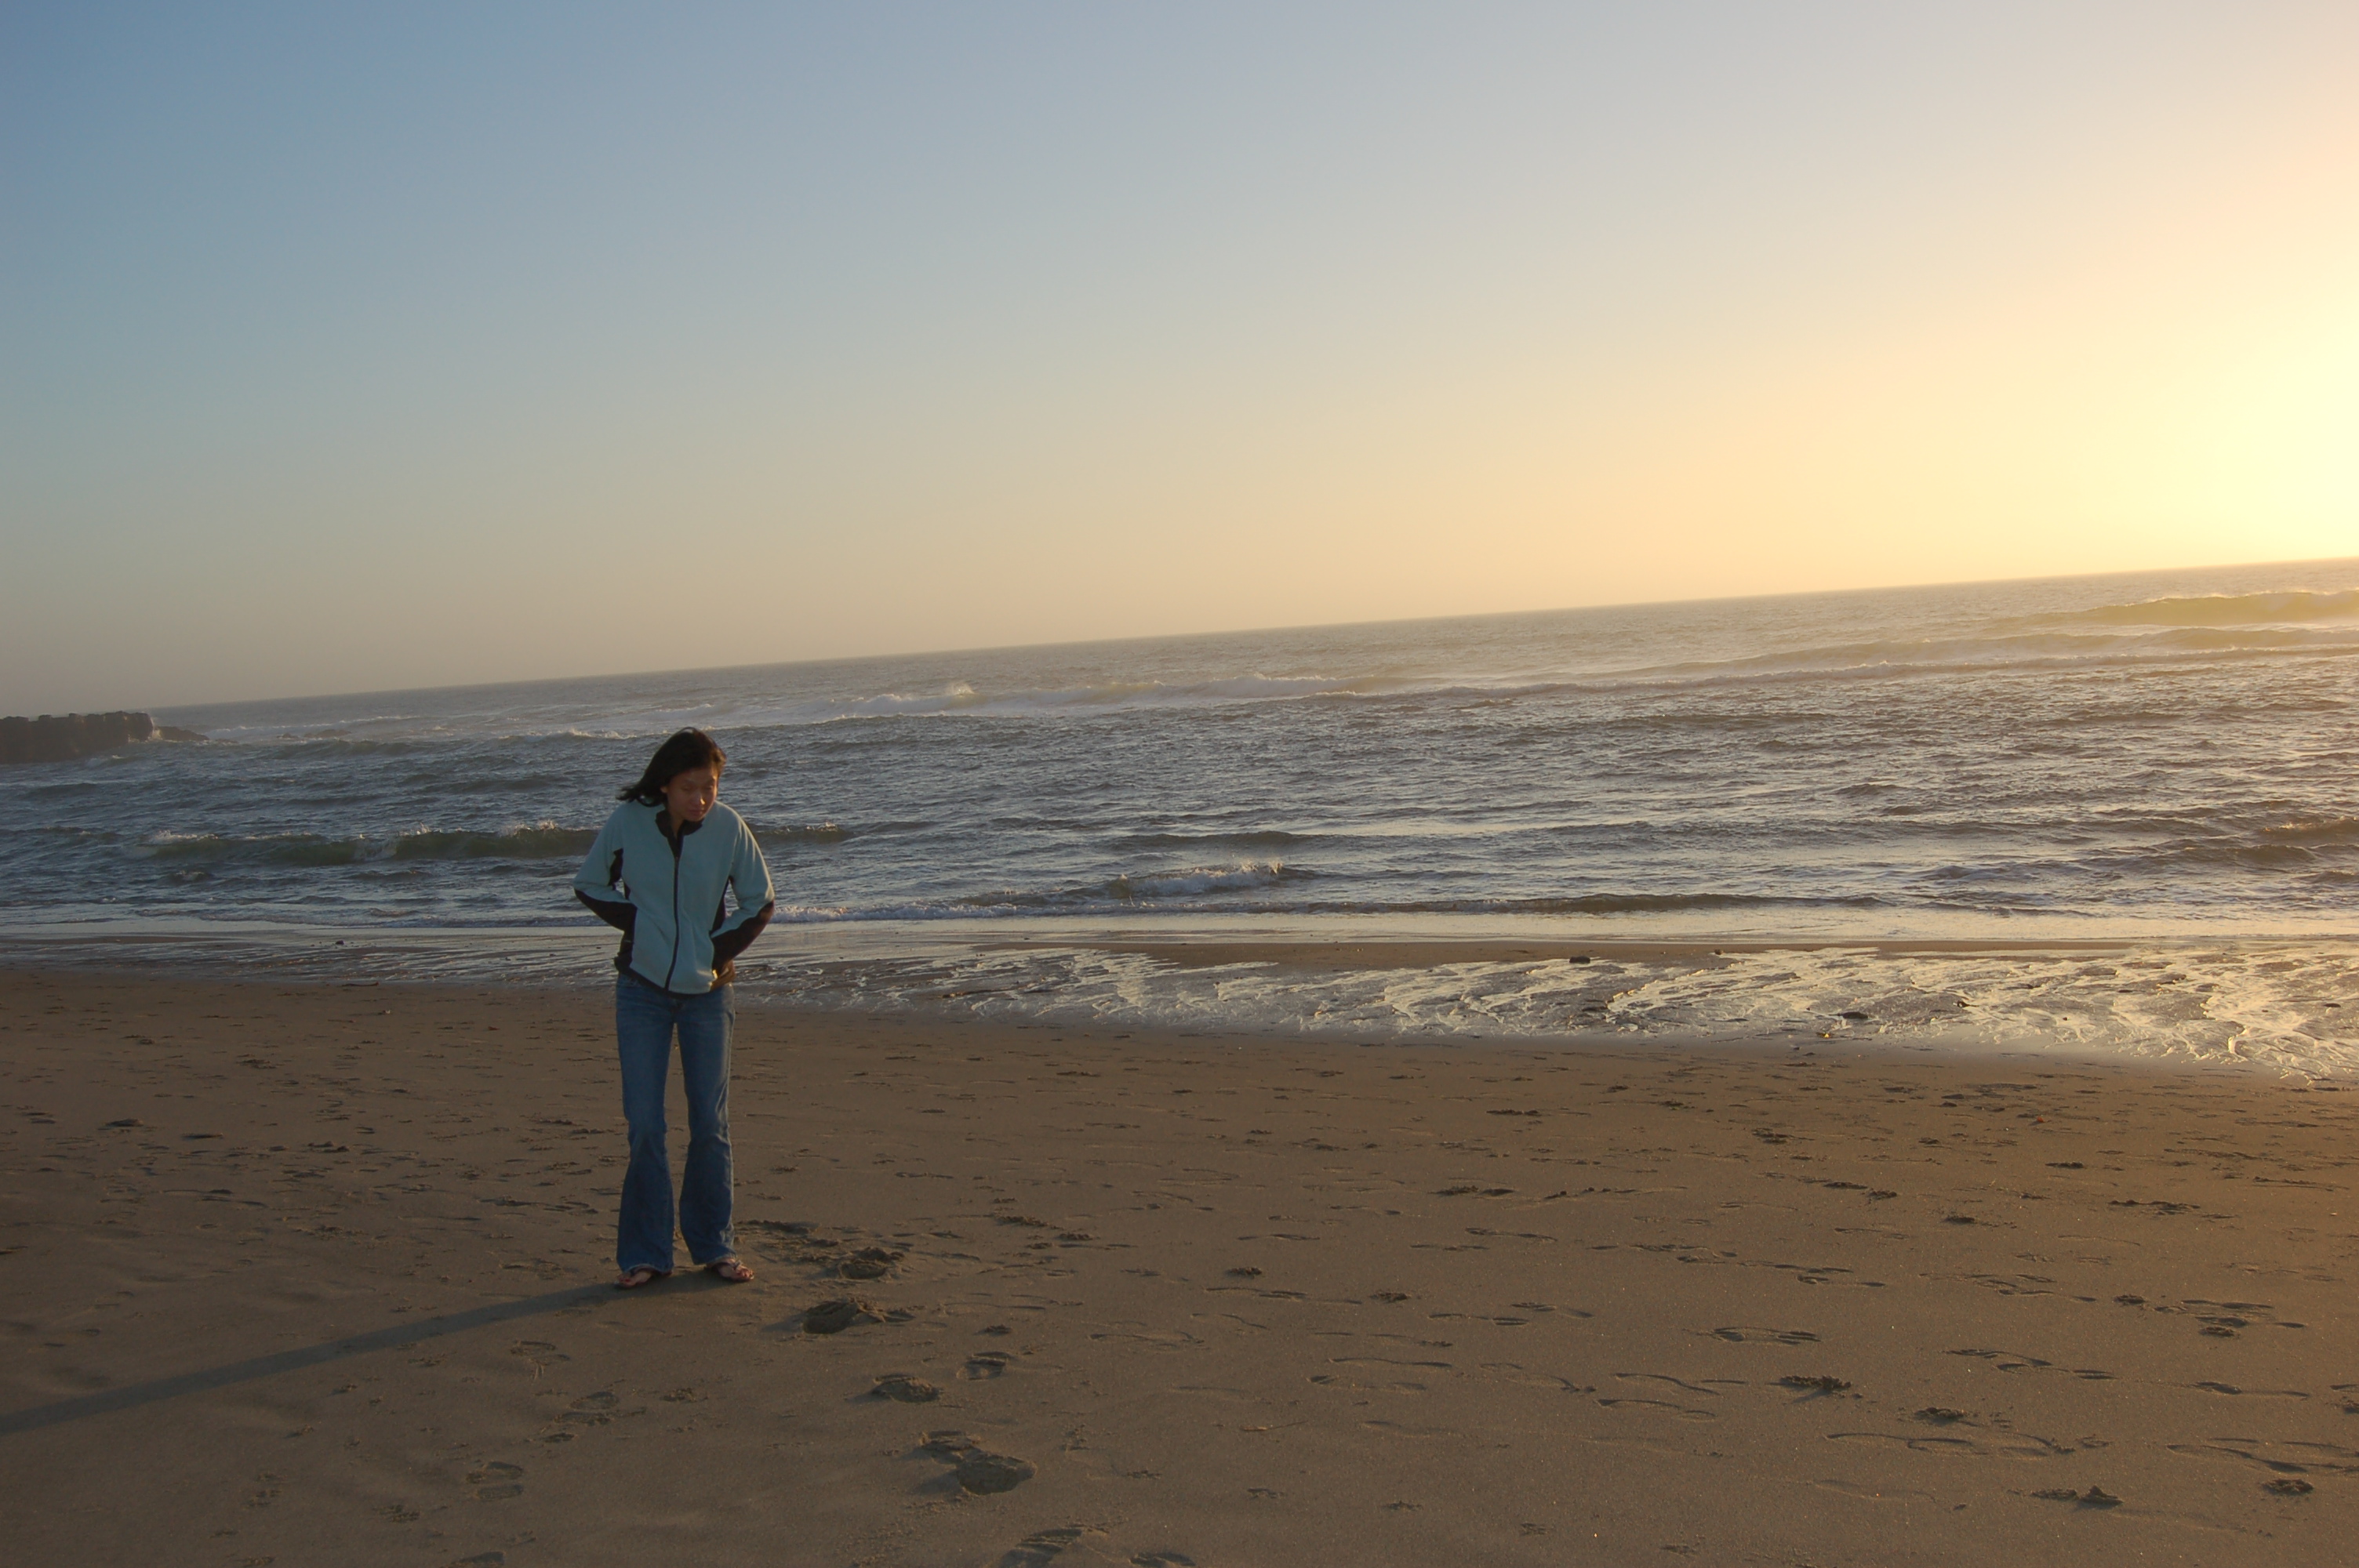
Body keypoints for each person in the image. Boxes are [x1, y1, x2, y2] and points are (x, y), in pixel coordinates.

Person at [572, 728, 776, 1288]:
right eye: (689, 787)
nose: (700, 799)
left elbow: (759, 900)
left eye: (709, 787)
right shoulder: (629, 823)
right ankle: (646, 1254)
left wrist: (712, 951)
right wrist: (641, 926)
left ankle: (715, 1246)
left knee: (710, 1124)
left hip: (709, 994)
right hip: (642, 992)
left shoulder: (728, 828)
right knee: (645, 1126)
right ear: (665, 784)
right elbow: (590, 883)